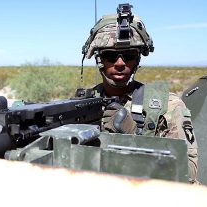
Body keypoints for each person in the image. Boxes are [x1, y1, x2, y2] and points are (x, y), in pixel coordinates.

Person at [81, 3, 198, 183]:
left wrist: (133, 138)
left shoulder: (167, 106)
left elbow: (188, 172)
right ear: (99, 60)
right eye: (110, 56)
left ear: (138, 59)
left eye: (128, 56)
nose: (120, 63)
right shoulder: (82, 105)